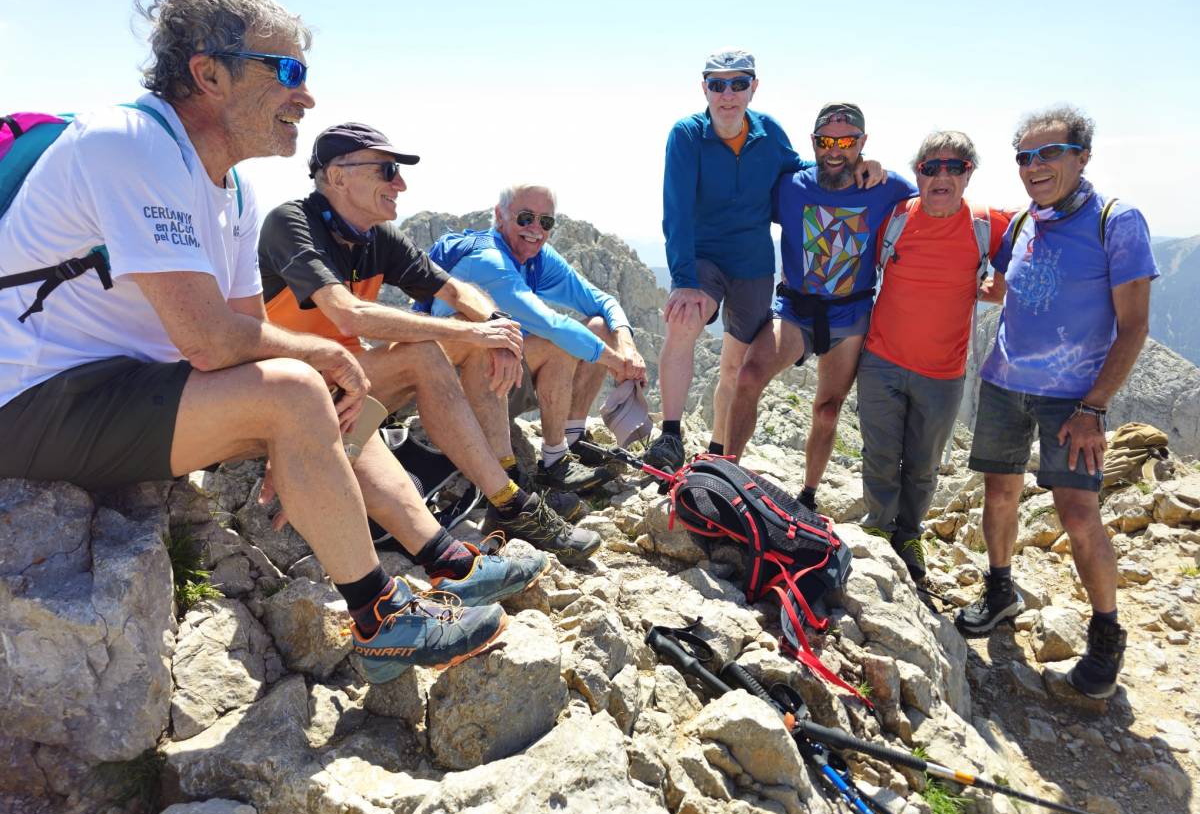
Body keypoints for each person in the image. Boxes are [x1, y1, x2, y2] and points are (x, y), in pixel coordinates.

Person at [0, 0, 536, 684]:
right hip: (34, 399)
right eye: (286, 71)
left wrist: (307, 418)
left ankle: (445, 560)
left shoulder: (234, 188)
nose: (306, 96)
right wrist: (307, 380)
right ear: (208, 73)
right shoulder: (128, 142)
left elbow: (244, 333)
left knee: (309, 389)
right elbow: (210, 339)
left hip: (121, 390)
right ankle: (380, 618)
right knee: (296, 387)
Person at [258, 122, 599, 565]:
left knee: (482, 339)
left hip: (349, 375)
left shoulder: (375, 238)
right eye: (386, 171)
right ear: (338, 176)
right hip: (289, 386)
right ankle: (511, 503)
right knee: (432, 350)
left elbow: (456, 291)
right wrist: (468, 331)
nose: (400, 184)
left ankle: (507, 486)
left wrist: (495, 327)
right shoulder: (291, 224)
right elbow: (350, 313)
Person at [955, 105, 1156, 700]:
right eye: (1025, 156)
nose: (1034, 166)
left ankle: (1105, 635)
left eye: (1049, 154)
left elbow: (1135, 325)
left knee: (1075, 512)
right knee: (999, 491)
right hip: (1004, 382)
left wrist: (1094, 407)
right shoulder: (1023, 223)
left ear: (1082, 156)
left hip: (1072, 397)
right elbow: (1008, 290)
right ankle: (1000, 590)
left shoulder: (1116, 222)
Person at [644, 51, 883, 474]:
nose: (728, 94)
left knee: (736, 363)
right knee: (685, 319)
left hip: (753, 264)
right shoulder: (686, 135)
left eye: (739, 83)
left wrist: (855, 164)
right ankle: (670, 435)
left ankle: (718, 453)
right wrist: (682, 280)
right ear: (704, 89)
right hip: (703, 256)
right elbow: (675, 209)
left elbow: (802, 172)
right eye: (717, 84)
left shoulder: (768, 132)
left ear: (754, 87)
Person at [725, 103, 916, 510]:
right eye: (826, 141)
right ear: (813, 143)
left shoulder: (888, 187)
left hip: (850, 314)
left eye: (847, 142)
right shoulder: (790, 186)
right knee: (748, 377)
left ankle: (808, 496)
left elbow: (933, 205)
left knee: (828, 412)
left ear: (862, 143)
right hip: (795, 308)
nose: (835, 151)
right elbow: (742, 205)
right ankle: (726, 471)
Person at [415, 183, 648, 487]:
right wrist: (617, 363)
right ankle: (555, 462)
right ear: (500, 215)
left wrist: (626, 345)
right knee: (557, 343)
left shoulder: (538, 257)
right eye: (525, 218)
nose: (536, 229)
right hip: (458, 388)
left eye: (546, 221)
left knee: (601, 329)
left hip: (503, 374)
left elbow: (602, 301)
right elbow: (550, 324)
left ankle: (573, 440)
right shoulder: (488, 260)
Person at [857, 131, 1012, 582]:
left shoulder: (987, 224)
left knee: (923, 465)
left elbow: (1036, 248)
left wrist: (1005, 282)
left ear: (969, 175)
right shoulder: (896, 219)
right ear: (917, 175)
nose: (942, 175)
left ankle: (909, 534)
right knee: (881, 456)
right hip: (881, 360)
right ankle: (880, 531)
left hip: (942, 373)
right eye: (930, 167)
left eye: (955, 167)